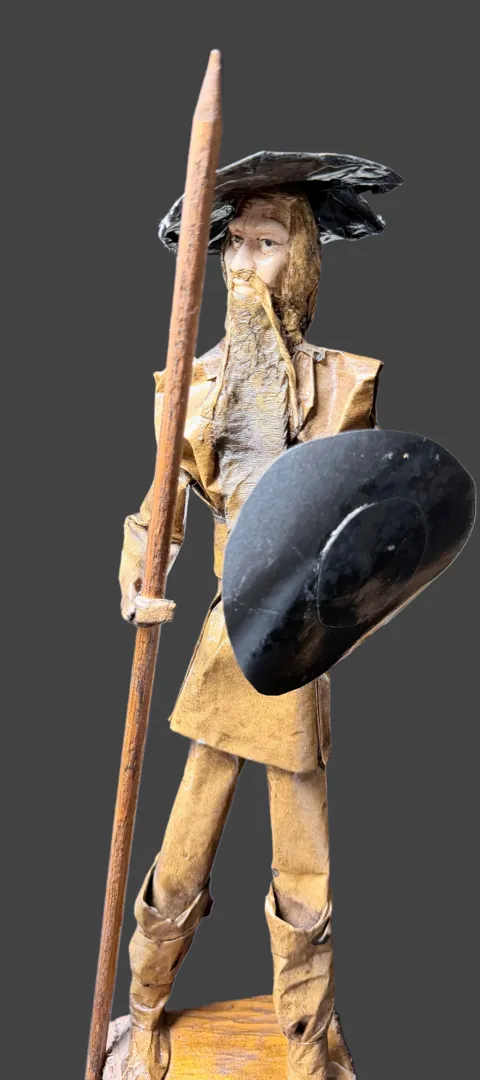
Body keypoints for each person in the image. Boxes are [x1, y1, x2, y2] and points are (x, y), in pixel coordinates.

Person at [118, 152, 401, 1080]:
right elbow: (155, 512)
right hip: (224, 640)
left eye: (267, 243)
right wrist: (137, 583)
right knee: (184, 849)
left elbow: (366, 526)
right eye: (234, 244)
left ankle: (306, 1045)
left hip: (300, 646)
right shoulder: (192, 387)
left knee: (304, 866)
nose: (243, 264)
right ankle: (145, 1012)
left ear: (303, 259)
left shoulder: (344, 385)